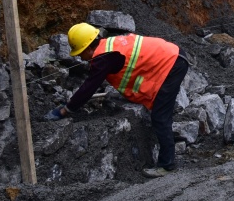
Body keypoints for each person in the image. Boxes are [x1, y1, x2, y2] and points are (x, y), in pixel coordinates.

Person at [44, 23, 189, 179]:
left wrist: (65, 110)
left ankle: (167, 165)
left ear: (88, 48)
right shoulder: (108, 45)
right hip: (172, 57)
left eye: (80, 53)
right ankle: (169, 140)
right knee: (161, 110)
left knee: (160, 116)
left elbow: (89, 87)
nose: (79, 57)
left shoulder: (103, 58)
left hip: (171, 63)